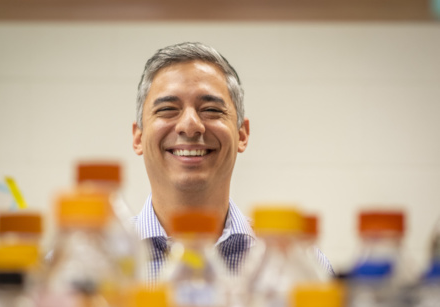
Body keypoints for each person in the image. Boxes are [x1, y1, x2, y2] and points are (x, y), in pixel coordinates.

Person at [131, 42, 333, 281]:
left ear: (242, 134)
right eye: (167, 109)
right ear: (138, 137)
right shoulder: (105, 261)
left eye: (211, 110)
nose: (190, 125)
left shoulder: (296, 265)